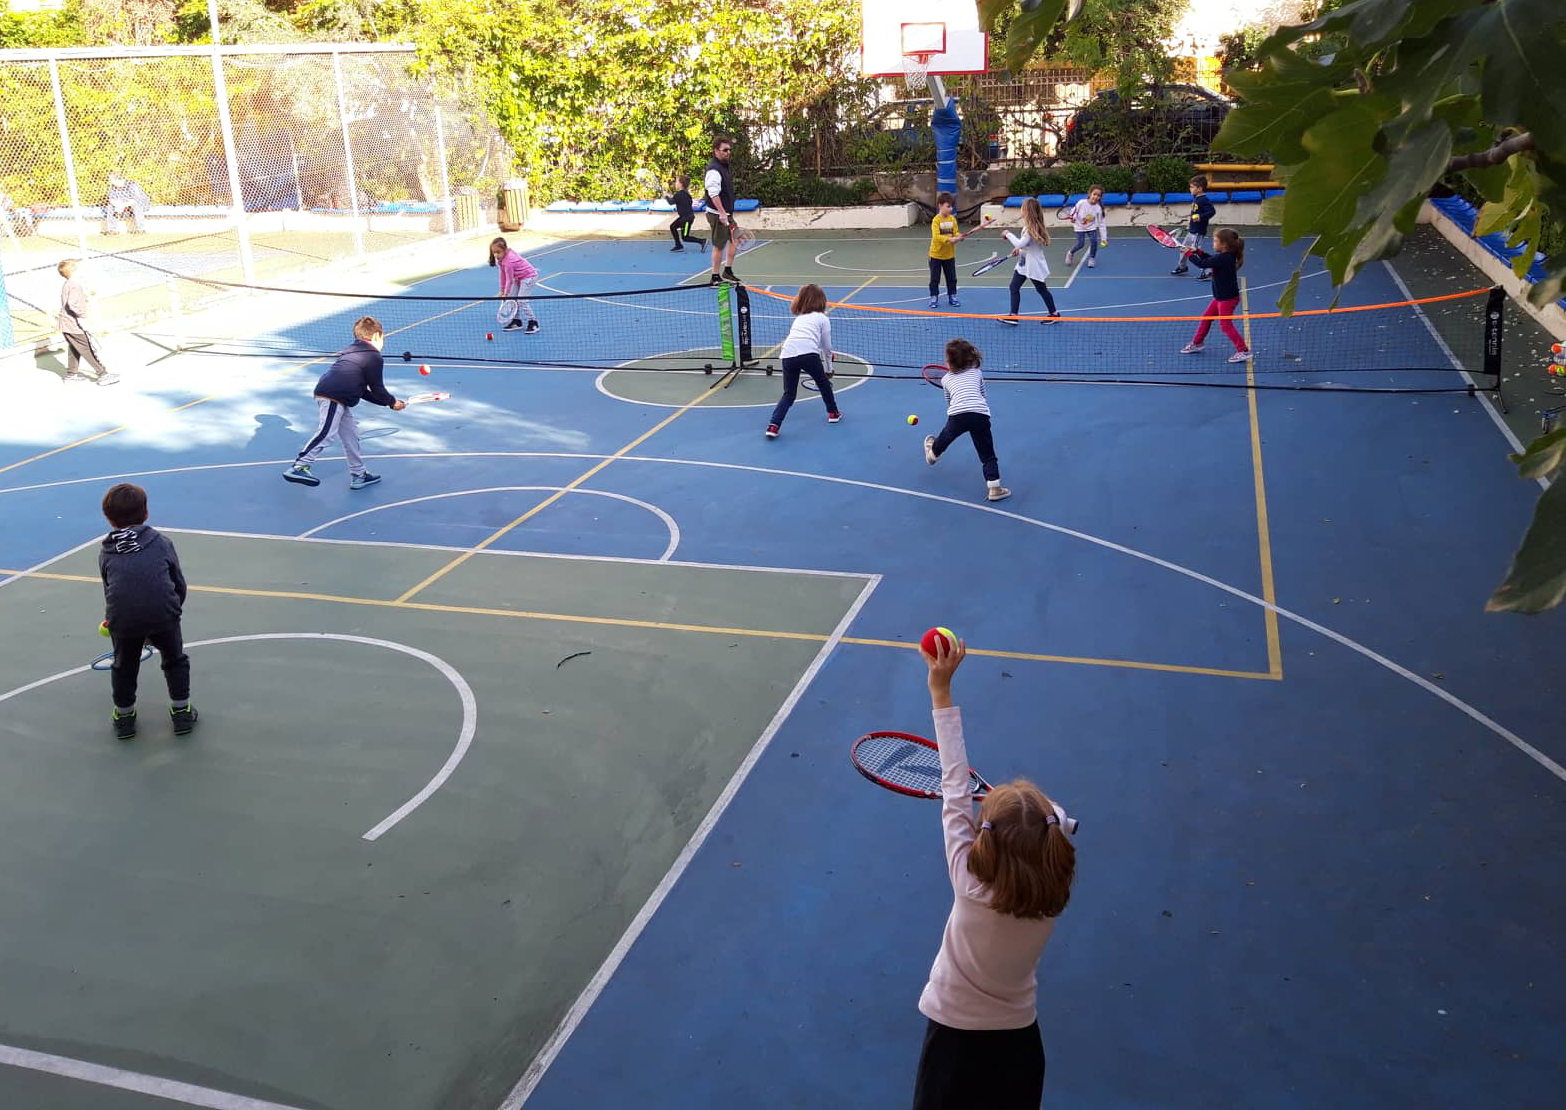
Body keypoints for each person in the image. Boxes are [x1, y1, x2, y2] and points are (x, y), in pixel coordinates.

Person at [911, 634, 1077, 1110]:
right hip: (1018, 1048)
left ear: (986, 836)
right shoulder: (1055, 881)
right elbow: (1052, 819)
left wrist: (940, 689)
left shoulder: (969, 883)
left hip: (953, 1046)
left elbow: (954, 784)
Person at [98, 483, 196, 741]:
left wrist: (115, 620)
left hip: (123, 619)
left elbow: (110, 589)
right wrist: (171, 612)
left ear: (109, 519)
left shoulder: (106, 552)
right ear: (146, 513)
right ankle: (182, 712)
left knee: (124, 666)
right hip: (164, 613)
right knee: (175, 660)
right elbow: (178, 584)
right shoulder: (162, 543)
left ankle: (124, 719)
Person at [283, 316, 406, 490]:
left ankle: (359, 475)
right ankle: (299, 466)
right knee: (327, 432)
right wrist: (393, 402)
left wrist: (389, 404)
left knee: (351, 435)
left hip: (336, 395)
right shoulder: (373, 356)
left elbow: (363, 391)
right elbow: (378, 389)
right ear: (377, 336)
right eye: (382, 337)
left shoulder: (351, 351)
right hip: (333, 396)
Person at [923, 338, 1010, 503]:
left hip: (957, 416)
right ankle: (995, 488)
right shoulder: (977, 373)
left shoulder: (945, 379)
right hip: (980, 415)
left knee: (945, 437)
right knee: (987, 454)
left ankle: (932, 454)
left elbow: (949, 402)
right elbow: (983, 394)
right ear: (970, 358)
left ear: (949, 361)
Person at [765, 283, 841, 438]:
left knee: (789, 394)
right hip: (809, 355)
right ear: (821, 300)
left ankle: (773, 426)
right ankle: (833, 413)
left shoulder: (799, 318)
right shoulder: (823, 319)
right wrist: (828, 369)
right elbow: (827, 348)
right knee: (823, 384)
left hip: (788, 354)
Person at [1180, 228, 1253, 363]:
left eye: (1215, 241)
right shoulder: (1226, 256)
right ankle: (1197, 343)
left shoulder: (1224, 258)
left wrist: (1189, 254)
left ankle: (1243, 350)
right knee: (1206, 318)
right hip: (1220, 297)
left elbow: (1202, 264)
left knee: (1225, 325)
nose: (1213, 243)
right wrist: (1197, 252)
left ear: (1224, 245)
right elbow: (1209, 259)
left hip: (1227, 299)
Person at [57, 258, 119, 387]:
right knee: (87, 348)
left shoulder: (69, 284)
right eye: (78, 269)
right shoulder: (74, 285)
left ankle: (71, 375)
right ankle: (102, 374)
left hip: (67, 324)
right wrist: (82, 317)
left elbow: (72, 300)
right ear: (73, 271)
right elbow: (72, 304)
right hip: (74, 324)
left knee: (75, 348)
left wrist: (85, 297)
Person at [999, 199, 1059, 326]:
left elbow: (1020, 243)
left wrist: (1008, 234)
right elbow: (1026, 245)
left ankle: (1054, 314)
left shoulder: (1031, 228)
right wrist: (1019, 250)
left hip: (1033, 265)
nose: (1021, 209)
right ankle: (1013, 316)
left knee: (1042, 289)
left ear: (1027, 211)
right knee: (1014, 287)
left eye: (1022, 207)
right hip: (1024, 263)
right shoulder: (1029, 227)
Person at [703, 136, 742, 285]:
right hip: (717, 214)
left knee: (736, 239)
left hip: (726, 213)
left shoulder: (723, 167)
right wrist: (721, 213)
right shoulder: (714, 170)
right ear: (716, 151)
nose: (728, 153)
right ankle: (714, 277)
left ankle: (727, 271)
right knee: (719, 246)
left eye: (729, 150)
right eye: (725, 150)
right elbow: (713, 194)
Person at [489, 236, 539, 333]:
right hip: (518, 277)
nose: (496, 255)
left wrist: (505, 293)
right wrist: (502, 291)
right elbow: (502, 275)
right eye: (494, 252)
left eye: (498, 252)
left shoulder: (509, 261)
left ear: (505, 249)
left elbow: (509, 280)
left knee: (521, 301)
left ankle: (533, 323)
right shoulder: (500, 259)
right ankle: (516, 322)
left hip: (529, 277)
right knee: (512, 298)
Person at [1172, 175, 1217, 277]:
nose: (1190, 189)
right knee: (1183, 249)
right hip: (1192, 230)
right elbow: (1194, 214)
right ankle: (1182, 267)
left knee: (1195, 251)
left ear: (1200, 188)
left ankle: (1208, 270)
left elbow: (1212, 211)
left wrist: (1200, 217)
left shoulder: (1204, 200)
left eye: (1192, 187)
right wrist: (1190, 224)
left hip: (1198, 232)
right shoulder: (1196, 198)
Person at [928, 193, 966, 309]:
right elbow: (936, 237)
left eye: (951, 206)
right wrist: (950, 239)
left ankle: (952, 296)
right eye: (948, 206)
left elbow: (956, 232)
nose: (950, 209)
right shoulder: (936, 220)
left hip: (949, 255)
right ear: (940, 206)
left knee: (952, 278)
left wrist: (959, 237)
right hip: (936, 255)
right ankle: (934, 297)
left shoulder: (952, 219)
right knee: (935, 279)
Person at [1063, 185, 1107, 268]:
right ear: (1090, 193)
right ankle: (1070, 253)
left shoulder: (1098, 208)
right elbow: (1073, 212)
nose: (1096, 197)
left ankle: (1092, 258)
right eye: (1094, 194)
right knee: (1081, 244)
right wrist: (1073, 218)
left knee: (1094, 242)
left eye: (1098, 195)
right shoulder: (1081, 202)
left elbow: (1102, 224)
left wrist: (1104, 238)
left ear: (1100, 197)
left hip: (1091, 227)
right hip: (1079, 227)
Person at [665, 175, 706, 253]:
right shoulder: (685, 194)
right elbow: (675, 199)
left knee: (685, 237)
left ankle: (702, 241)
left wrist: (666, 196)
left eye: (677, 182)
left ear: (681, 184)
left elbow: (671, 202)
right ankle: (678, 246)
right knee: (673, 227)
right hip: (684, 218)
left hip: (687, 219)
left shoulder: (679, 195)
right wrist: (668, 196)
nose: (675, 183)